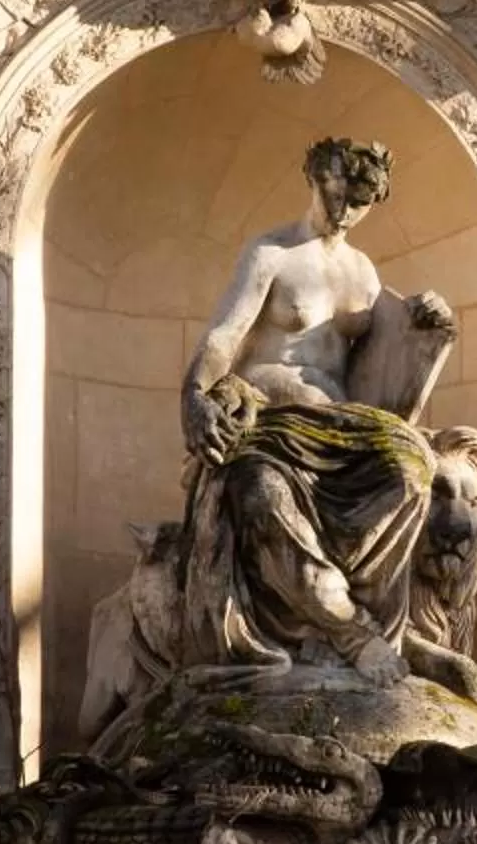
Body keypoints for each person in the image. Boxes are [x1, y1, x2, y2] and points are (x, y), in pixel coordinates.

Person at [176, 138, 458, 674]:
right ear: (313, 179)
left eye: (359, 203)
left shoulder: (364, 273)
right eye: (335, 196)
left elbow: (384, 371)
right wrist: (193, 395)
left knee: (411, 473)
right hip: (271, 422)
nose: (344, 212)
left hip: (344, 426)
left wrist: (432, 324)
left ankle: (370, 620)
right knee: (261, 493)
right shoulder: (272, 254)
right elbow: (223, 336)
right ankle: (349, 634)